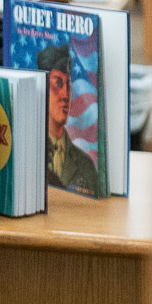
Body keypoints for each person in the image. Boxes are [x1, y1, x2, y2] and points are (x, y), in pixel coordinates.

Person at [37, 43, 101, 197]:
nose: (65, 95)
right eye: (58, 83)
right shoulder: (27, 152)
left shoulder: (86, 166)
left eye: (68, 86)